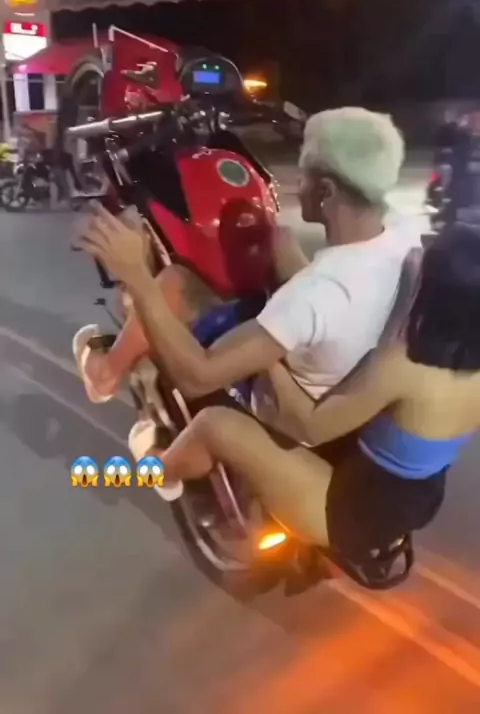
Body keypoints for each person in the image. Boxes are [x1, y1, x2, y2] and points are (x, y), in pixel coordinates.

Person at [128, 224, 479, 567]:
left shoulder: (403, 365)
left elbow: (309, 426)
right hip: (419, 497)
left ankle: (161, 470)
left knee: (213, 425)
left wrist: (271, 354)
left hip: (350, 509)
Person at [76, 107, 415, 448]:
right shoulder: (401, 236)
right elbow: (326, 299)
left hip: (281, 402)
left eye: (305, 176)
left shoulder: (316, 293)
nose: (298, 185)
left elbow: (199, 376)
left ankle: (107, 375)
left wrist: (136, 274)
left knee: (177, 284)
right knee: (278, 241)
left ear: (326, 192)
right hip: (341, 374)